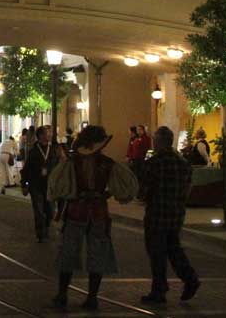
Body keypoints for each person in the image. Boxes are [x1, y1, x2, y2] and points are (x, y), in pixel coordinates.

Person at [48, 124, 138, 309]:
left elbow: (57, 186)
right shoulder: (107, 163)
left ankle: (63, 294)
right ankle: (91, 297)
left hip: (76, 211)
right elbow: (127, 187)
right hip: (97, 212)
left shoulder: (71, 163)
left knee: (69, 252)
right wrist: (106, 194)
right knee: (96, 254)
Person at [139, 126, 200, 303]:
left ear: (158, 142)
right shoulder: (183, 164)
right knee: (174, 249)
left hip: (157, 213)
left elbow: (144, 191)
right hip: (176, 213)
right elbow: (188, 189)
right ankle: (190, 278)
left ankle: (159, 288)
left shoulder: (154, 163)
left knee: (156, 252)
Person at [21, 126, 59, 241]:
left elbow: (58, 166)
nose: (50, 135)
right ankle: (40, 233)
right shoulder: (33, 151)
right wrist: (24, 184)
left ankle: (46, 227)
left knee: (50, 211)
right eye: (47, 133)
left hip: (50, 186)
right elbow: (26, 168)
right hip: (36, 185)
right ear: (41, 136)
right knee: (38, 210)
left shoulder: (53, 150)